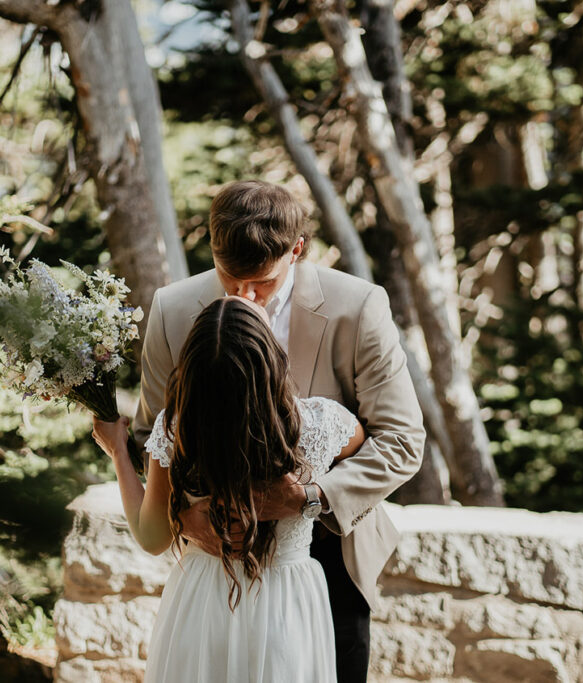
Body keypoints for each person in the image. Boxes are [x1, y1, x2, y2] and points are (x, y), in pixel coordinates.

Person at [133, 180, 425, 682]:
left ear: (297, 249)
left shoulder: (358, 306)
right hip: (213, 557)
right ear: (212, 248)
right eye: (231, 278)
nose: (246, 298)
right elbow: (151, 434)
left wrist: (308, 497)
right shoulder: (173, 308)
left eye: (262, 282)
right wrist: (183, 510)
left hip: (329, 547)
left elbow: (401, 441)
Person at [93, 296, 365, 682]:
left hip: (203, 598)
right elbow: (363, 452)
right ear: (271, 360)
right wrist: (310, 494)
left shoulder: (175, 430)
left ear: (192, 371)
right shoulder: (321, 423)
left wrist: (118, 451)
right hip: (287, 602)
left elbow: (151, 537)